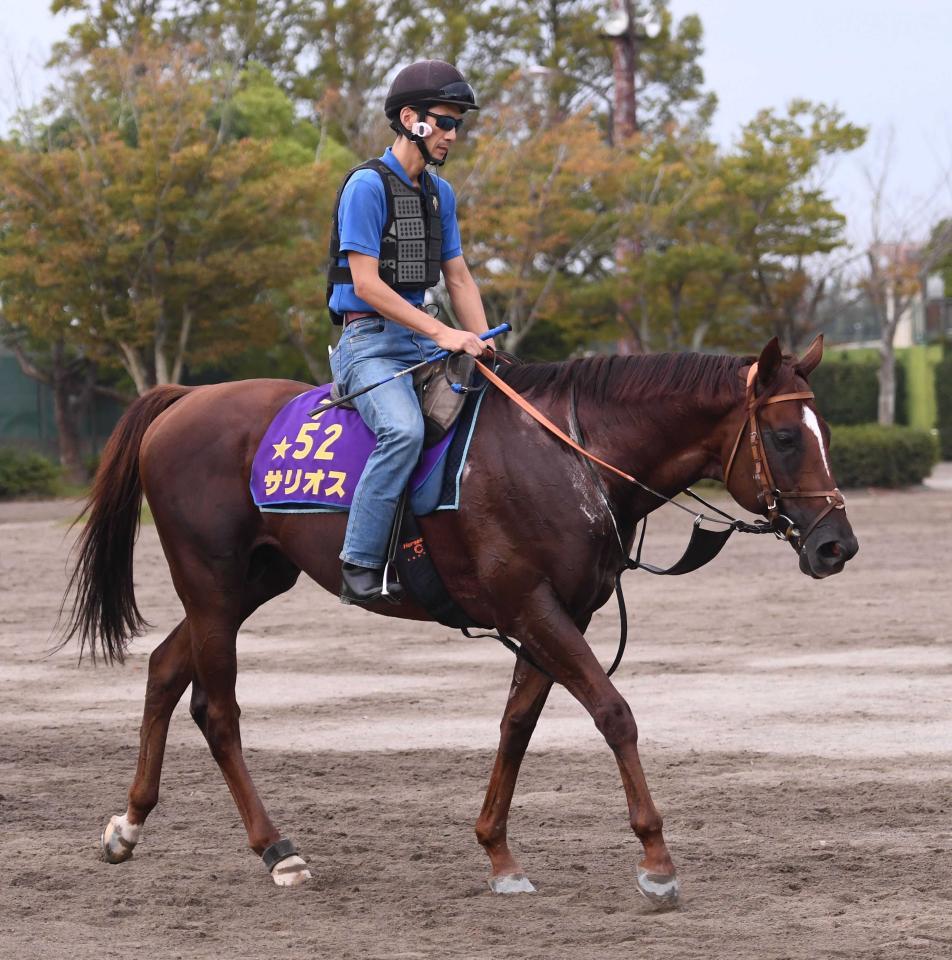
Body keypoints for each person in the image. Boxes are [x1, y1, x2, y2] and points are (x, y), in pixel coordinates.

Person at [327, 59, 494, 606]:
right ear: (409, 119)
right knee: (402, 431)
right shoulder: (365, 186)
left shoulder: (441, 195)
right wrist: (445, 335)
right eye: (444, 122)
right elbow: (367, 285)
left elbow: (459, 276)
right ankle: (361, 561)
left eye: (456, 125)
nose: (451, 135)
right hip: (367, 344)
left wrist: (484, 340)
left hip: (421, 338)